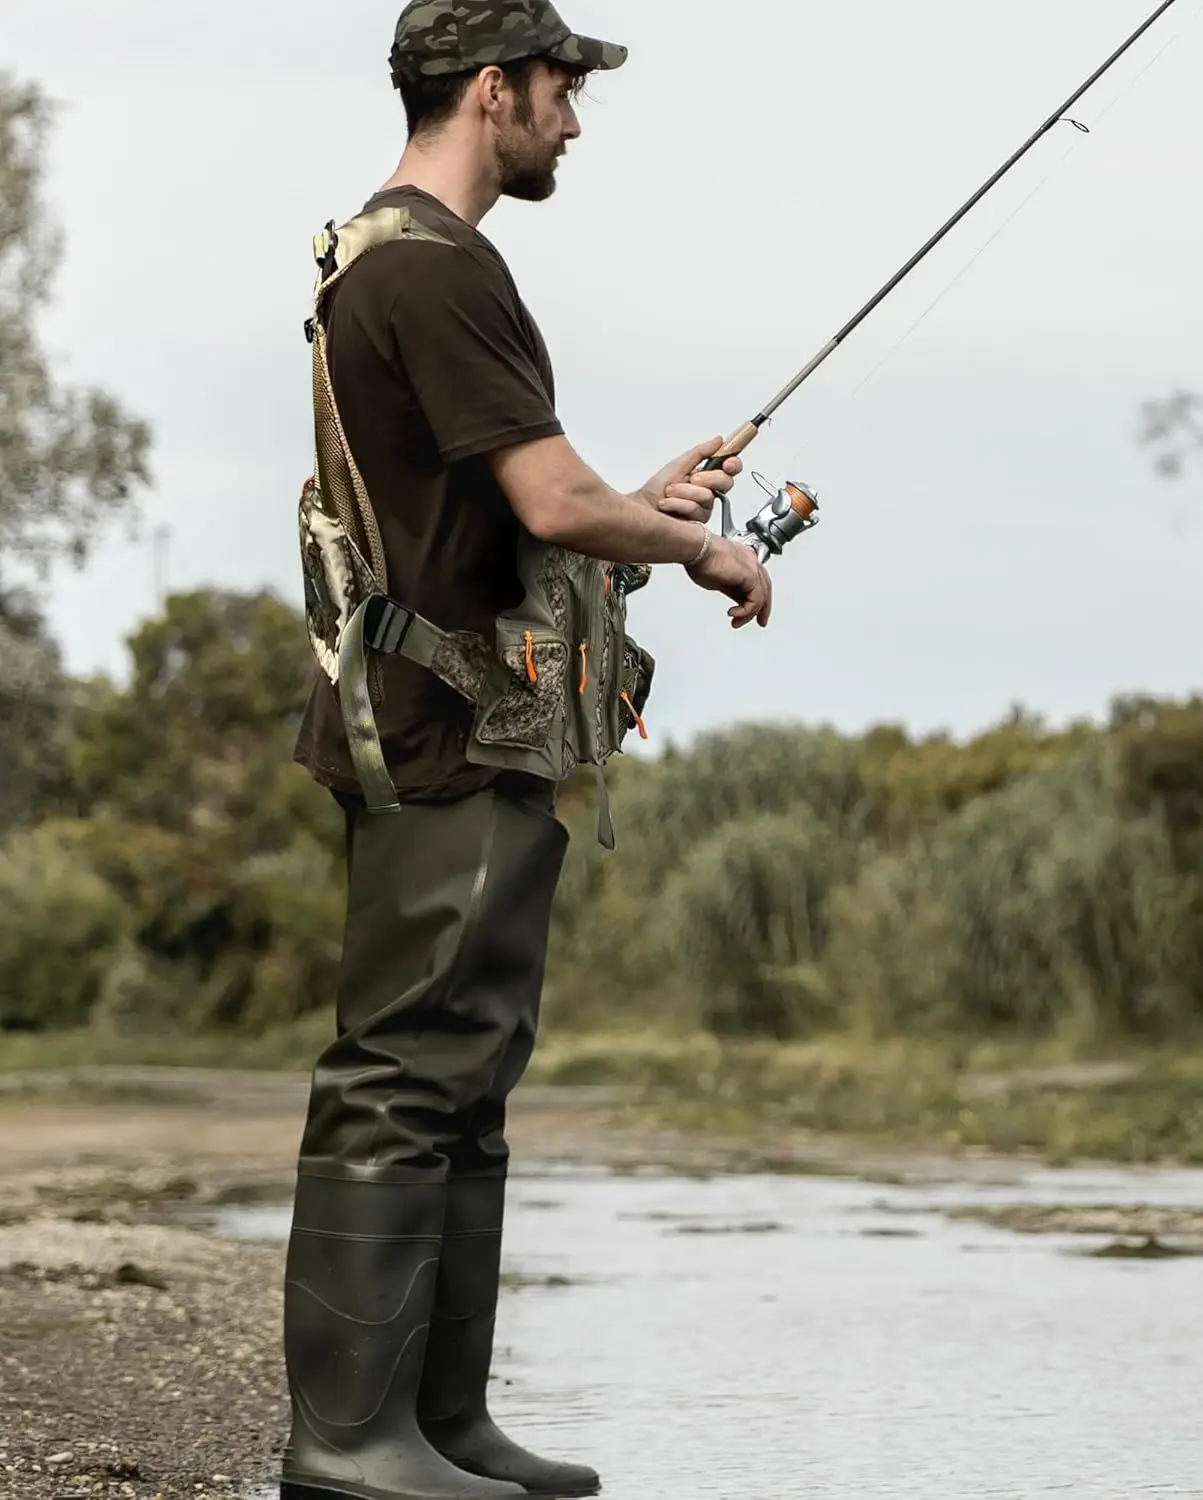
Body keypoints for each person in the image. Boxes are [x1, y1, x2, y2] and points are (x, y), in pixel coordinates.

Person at [279, 5, 773, 1498]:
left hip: (472, 724)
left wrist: (637, 499)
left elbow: (508, 511)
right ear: (492, 88)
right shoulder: (436, 270)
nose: (575, 118)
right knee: (402, 1079)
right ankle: (350, 1440)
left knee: (468, 1083)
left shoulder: (392, 261)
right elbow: (554, 508)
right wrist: (700, 543)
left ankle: (441, 1425)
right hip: (440, 735)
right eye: (562, 88)